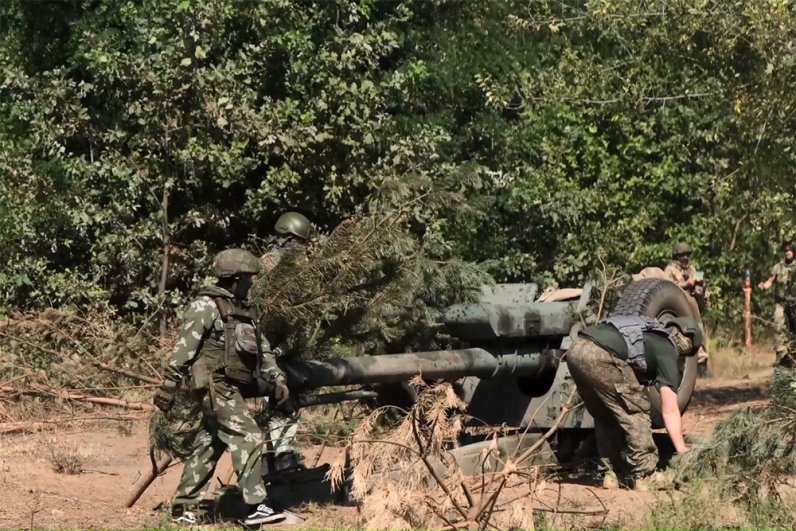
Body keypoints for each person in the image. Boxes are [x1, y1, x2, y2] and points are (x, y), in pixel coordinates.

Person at [153, 248, 290, 525]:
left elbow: (262, 349)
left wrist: (277, 378)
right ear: (235, 278)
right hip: (214, 384)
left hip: (228, 386)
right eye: (249, 277)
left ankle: (183, 508)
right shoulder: (205, 306)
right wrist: (169, 384)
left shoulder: (243, 309)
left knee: (209, 443)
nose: (252, 282)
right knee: (249, 435)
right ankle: (255, 507)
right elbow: (185, 348)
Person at [566, 315, 702, 491]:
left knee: (607, 415)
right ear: (688, 341)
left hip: (576, 349)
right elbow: (669, 409)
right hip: (602, 353)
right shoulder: (667, 349)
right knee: (636, 411)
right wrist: (682, 449)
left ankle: (611, 473)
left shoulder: (649, 334)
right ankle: (645, 474)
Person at [260, 212, 312, 473]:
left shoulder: (299, 267)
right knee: (279, 394)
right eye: (299, 242)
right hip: (267, 342)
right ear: (287, 239)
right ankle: (281, 455)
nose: (301, 248)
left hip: (289, 341)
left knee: (289, 395)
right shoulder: (268, 265)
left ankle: (279, 454)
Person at [664, 242, 709, 373]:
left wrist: (700, 286)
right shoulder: (670, 270)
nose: (685, 258)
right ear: (676, 256)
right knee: (680, 335)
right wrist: (686, 284)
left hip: (692, 305)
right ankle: (681, 368)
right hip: (677, 307)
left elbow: (700, 287)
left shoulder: (692, 269)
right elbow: (667, 287)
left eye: (687, 255)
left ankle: (701, 364)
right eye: (682, 255)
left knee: (698, 332)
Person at [759, 242, 796, 363]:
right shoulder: (778, 267)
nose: (788, 252)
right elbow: (770, 280)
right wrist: (764, 286)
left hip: (794, 304)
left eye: (790, 250)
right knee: (777, 326)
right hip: (781, 302)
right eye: (786, 250)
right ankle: (782, 355)